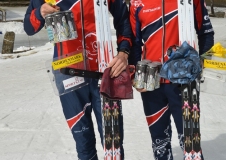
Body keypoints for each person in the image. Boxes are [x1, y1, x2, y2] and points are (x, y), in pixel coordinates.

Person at [24, 0, 132, 159]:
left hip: (104, 74)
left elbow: (124, 20)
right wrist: (40, 12)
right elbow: (28, 27)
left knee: (113, 145)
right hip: (69, 75)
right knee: (84, 145)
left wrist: (124, 52)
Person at [128, 0, 214, 160]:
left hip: (184, 83)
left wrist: (202, 62)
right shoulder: (136, 3)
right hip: (151, 84)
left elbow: (206, 33)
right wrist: (135, 76)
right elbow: (134, 43)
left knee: (191, 146)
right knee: (159, 144)